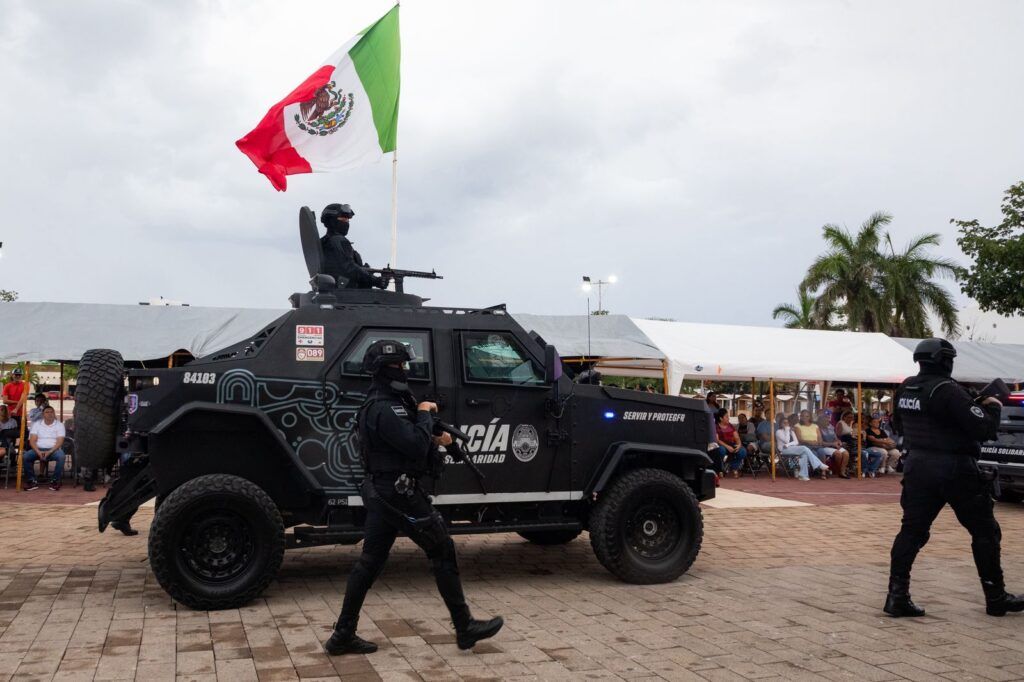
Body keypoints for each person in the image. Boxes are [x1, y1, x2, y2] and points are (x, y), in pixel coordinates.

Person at [325, 340, 503, 655]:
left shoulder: (390, 401)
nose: (405, 370)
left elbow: (412, 439)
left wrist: (439, 435)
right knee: (442, 548)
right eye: (400, 365)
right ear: (385, 369)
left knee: (369, 563)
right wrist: (423, 414)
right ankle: (465, 627)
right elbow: (415, 445)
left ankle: (342, 635)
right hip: (398, 493)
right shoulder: (383, 407)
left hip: (386, 492)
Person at [885, 338, 1023, 618]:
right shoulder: (947, 390)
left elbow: (900, 424)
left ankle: (896, 596)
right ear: (945, 360)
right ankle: (996, 597)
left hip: (917, 467)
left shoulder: (906, 388)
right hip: (955, 469)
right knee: (985, 531)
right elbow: (984, 428)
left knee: (911, 531)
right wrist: (993, 405)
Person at [320, 203, 385, 290]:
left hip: (336, 290)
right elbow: (349, 268)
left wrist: (365, 271)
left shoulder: (325, 241)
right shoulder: (338, 240)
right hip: (346, 292)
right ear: (331, 221)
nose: (346, 222)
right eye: (343, 219)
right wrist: (375, 281)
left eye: (348, 220)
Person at [22, 406, 66, 491]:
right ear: (43, 414)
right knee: (26, 456)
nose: (50, 414)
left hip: (53, 450)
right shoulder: (36, 424)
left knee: (61, 456)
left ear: (54, 413)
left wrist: (49, 452)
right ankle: (32, 480)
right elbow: (32, 441)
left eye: (51, 412)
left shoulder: (59, 425)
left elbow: (60, 442)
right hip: (38, 449)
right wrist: (38, 452)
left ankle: (55, 481)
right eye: (47, 412)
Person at [776, 413, 830, 480]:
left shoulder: (791, 431)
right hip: (783, 450)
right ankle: (818, 464)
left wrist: (788, 444)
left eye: (787, 423)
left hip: (791, 448)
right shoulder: (778, 432)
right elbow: (786, 440)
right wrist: (787, 431)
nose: (786, 424)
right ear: (781, 424)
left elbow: (796, 442)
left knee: (804, 454)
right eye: (784, 423)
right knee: (804, 448)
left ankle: (803, 475)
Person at [816, 414, 850, 478]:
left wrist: (838, 441)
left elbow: (835, 438)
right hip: (825, 447)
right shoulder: (818, 429)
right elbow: (821, 442)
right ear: (820, 421)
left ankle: (842, 471)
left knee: (846, 454)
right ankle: (838, 470)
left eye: (828, 419)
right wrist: (833, 444)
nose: (827, 421)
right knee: (838, 454)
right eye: (825, 419)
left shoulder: (831, 427)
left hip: (834, 446)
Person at [715, 408, 747, 478]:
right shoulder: (716, 426)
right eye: (726, 416)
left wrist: (739, 445)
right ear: (721, 418)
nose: (728, 418)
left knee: (743, 451)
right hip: (722, 445)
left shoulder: (730, 426)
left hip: (731, 444)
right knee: (721, 450)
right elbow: (717, 440)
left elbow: (737, 437)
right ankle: (720, 468)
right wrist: (727, 447)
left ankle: (734, 466)